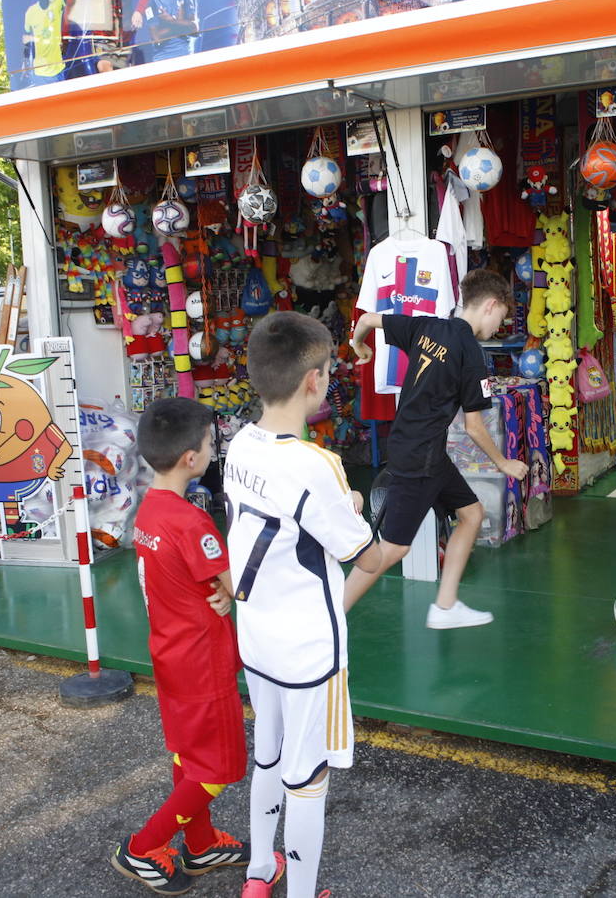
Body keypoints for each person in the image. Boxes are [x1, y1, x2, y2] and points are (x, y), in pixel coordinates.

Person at [225, 312, 381, 898]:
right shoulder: (316, 465)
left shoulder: (240, 442)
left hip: (257, 636)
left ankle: (258, 873)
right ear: (315, 381)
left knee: (266, 754)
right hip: (310, 647)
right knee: (306, 776)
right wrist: (355, 507)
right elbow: (364, 557)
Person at [110, 397, 252, 895]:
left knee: (189, 755)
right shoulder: (193, 522)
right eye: (212, 443)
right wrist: (228, 595)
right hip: (204, 665)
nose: (214, 450)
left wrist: (215, 593)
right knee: (219, 766)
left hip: (171, 656)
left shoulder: (151, 511)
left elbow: (203, 582)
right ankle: (145, 845)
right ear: (192, 458)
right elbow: (235, 585)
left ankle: (202, 840)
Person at [342, 269, 528, 627]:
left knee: (471, 515)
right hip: (421, 457)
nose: (498, 327)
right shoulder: (472, 355)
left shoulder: (426, 327)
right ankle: (332, 615)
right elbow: (474, 427)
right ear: (490, 306)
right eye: (501, 318)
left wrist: (358, 344)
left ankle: (445, 606)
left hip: (419, 448)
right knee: (395, 547)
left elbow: (365, 319)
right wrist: (503, 463)